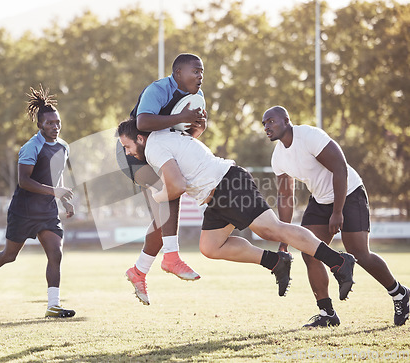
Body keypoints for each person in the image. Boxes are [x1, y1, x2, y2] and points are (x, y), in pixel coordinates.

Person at [117, 119, 357, 301]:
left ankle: (338, 261)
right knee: (210, 247)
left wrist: (158, 195)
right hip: (216, 195)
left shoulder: (153, 147)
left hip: (228, 183)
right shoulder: (162, 138)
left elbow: (177, 186)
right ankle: (276, 262)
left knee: (271, 229)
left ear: (139, 138)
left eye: (127, 146)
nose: (128, 153)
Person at [262, 105, 409, 327]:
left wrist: (338, 211)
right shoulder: (278, 158)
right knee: (309, 252)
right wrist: (284, 236)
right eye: (264, 124)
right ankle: (327, 313)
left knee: (359, 253)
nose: (267, 127)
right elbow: (285, 197)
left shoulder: (309, 136)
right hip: (320, 200)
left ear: (286, 120)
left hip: (349, 193)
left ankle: (400, 293)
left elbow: (340, 168)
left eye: (271, 121)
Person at [0, 85, 76, 318]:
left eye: (57, 122)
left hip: (47, 211)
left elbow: (57, 177)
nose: (55, 127)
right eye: (49, 123)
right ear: (39, 125)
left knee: (56, 253)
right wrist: (55, 192)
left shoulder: (64, 147)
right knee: (9, 255)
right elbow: (24, 181)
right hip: (24, 210)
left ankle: (53, 305)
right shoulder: (31, 147)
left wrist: (64, 199)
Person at [117, 53, 207, 305]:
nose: (200, 76)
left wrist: (199, 125)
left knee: (163, 214)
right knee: (171, 192)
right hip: (134, 151)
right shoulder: (158, 89)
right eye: (195, 71)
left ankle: (139, 271)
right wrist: (182, 118)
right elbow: (142, 122)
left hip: (160, 152)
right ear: (178, 73)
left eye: (202, 72)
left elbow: (192, 133)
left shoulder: (196, 97)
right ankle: (171, 257)